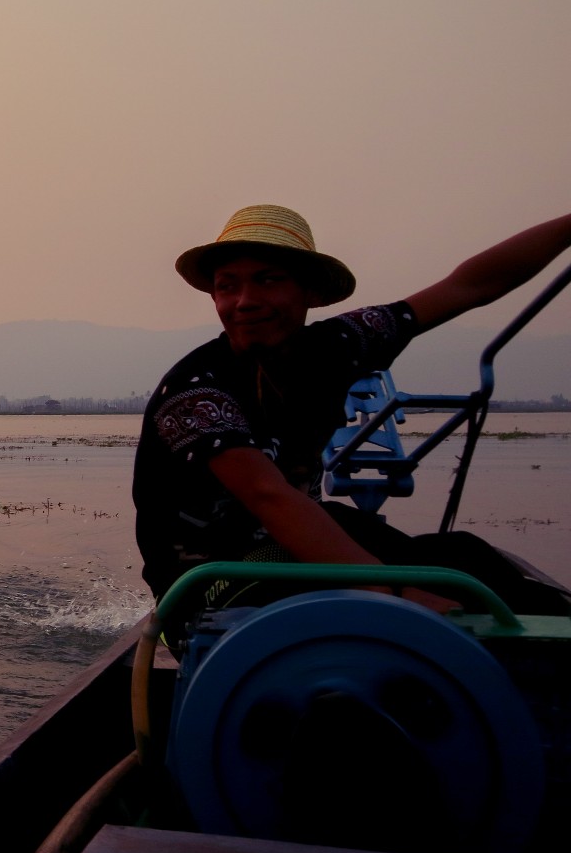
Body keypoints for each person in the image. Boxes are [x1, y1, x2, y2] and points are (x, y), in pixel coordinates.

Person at [131, 203, 571, 626]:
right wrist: (396, 593)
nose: (245, 301)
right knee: (392, 582)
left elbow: (471, 286)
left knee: (465, 558)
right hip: (209, 588)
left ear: (310, 292)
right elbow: (269, 497)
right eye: (228, 285)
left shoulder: (338, 344)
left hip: (291, 551)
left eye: (268, 280)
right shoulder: (195, 391)